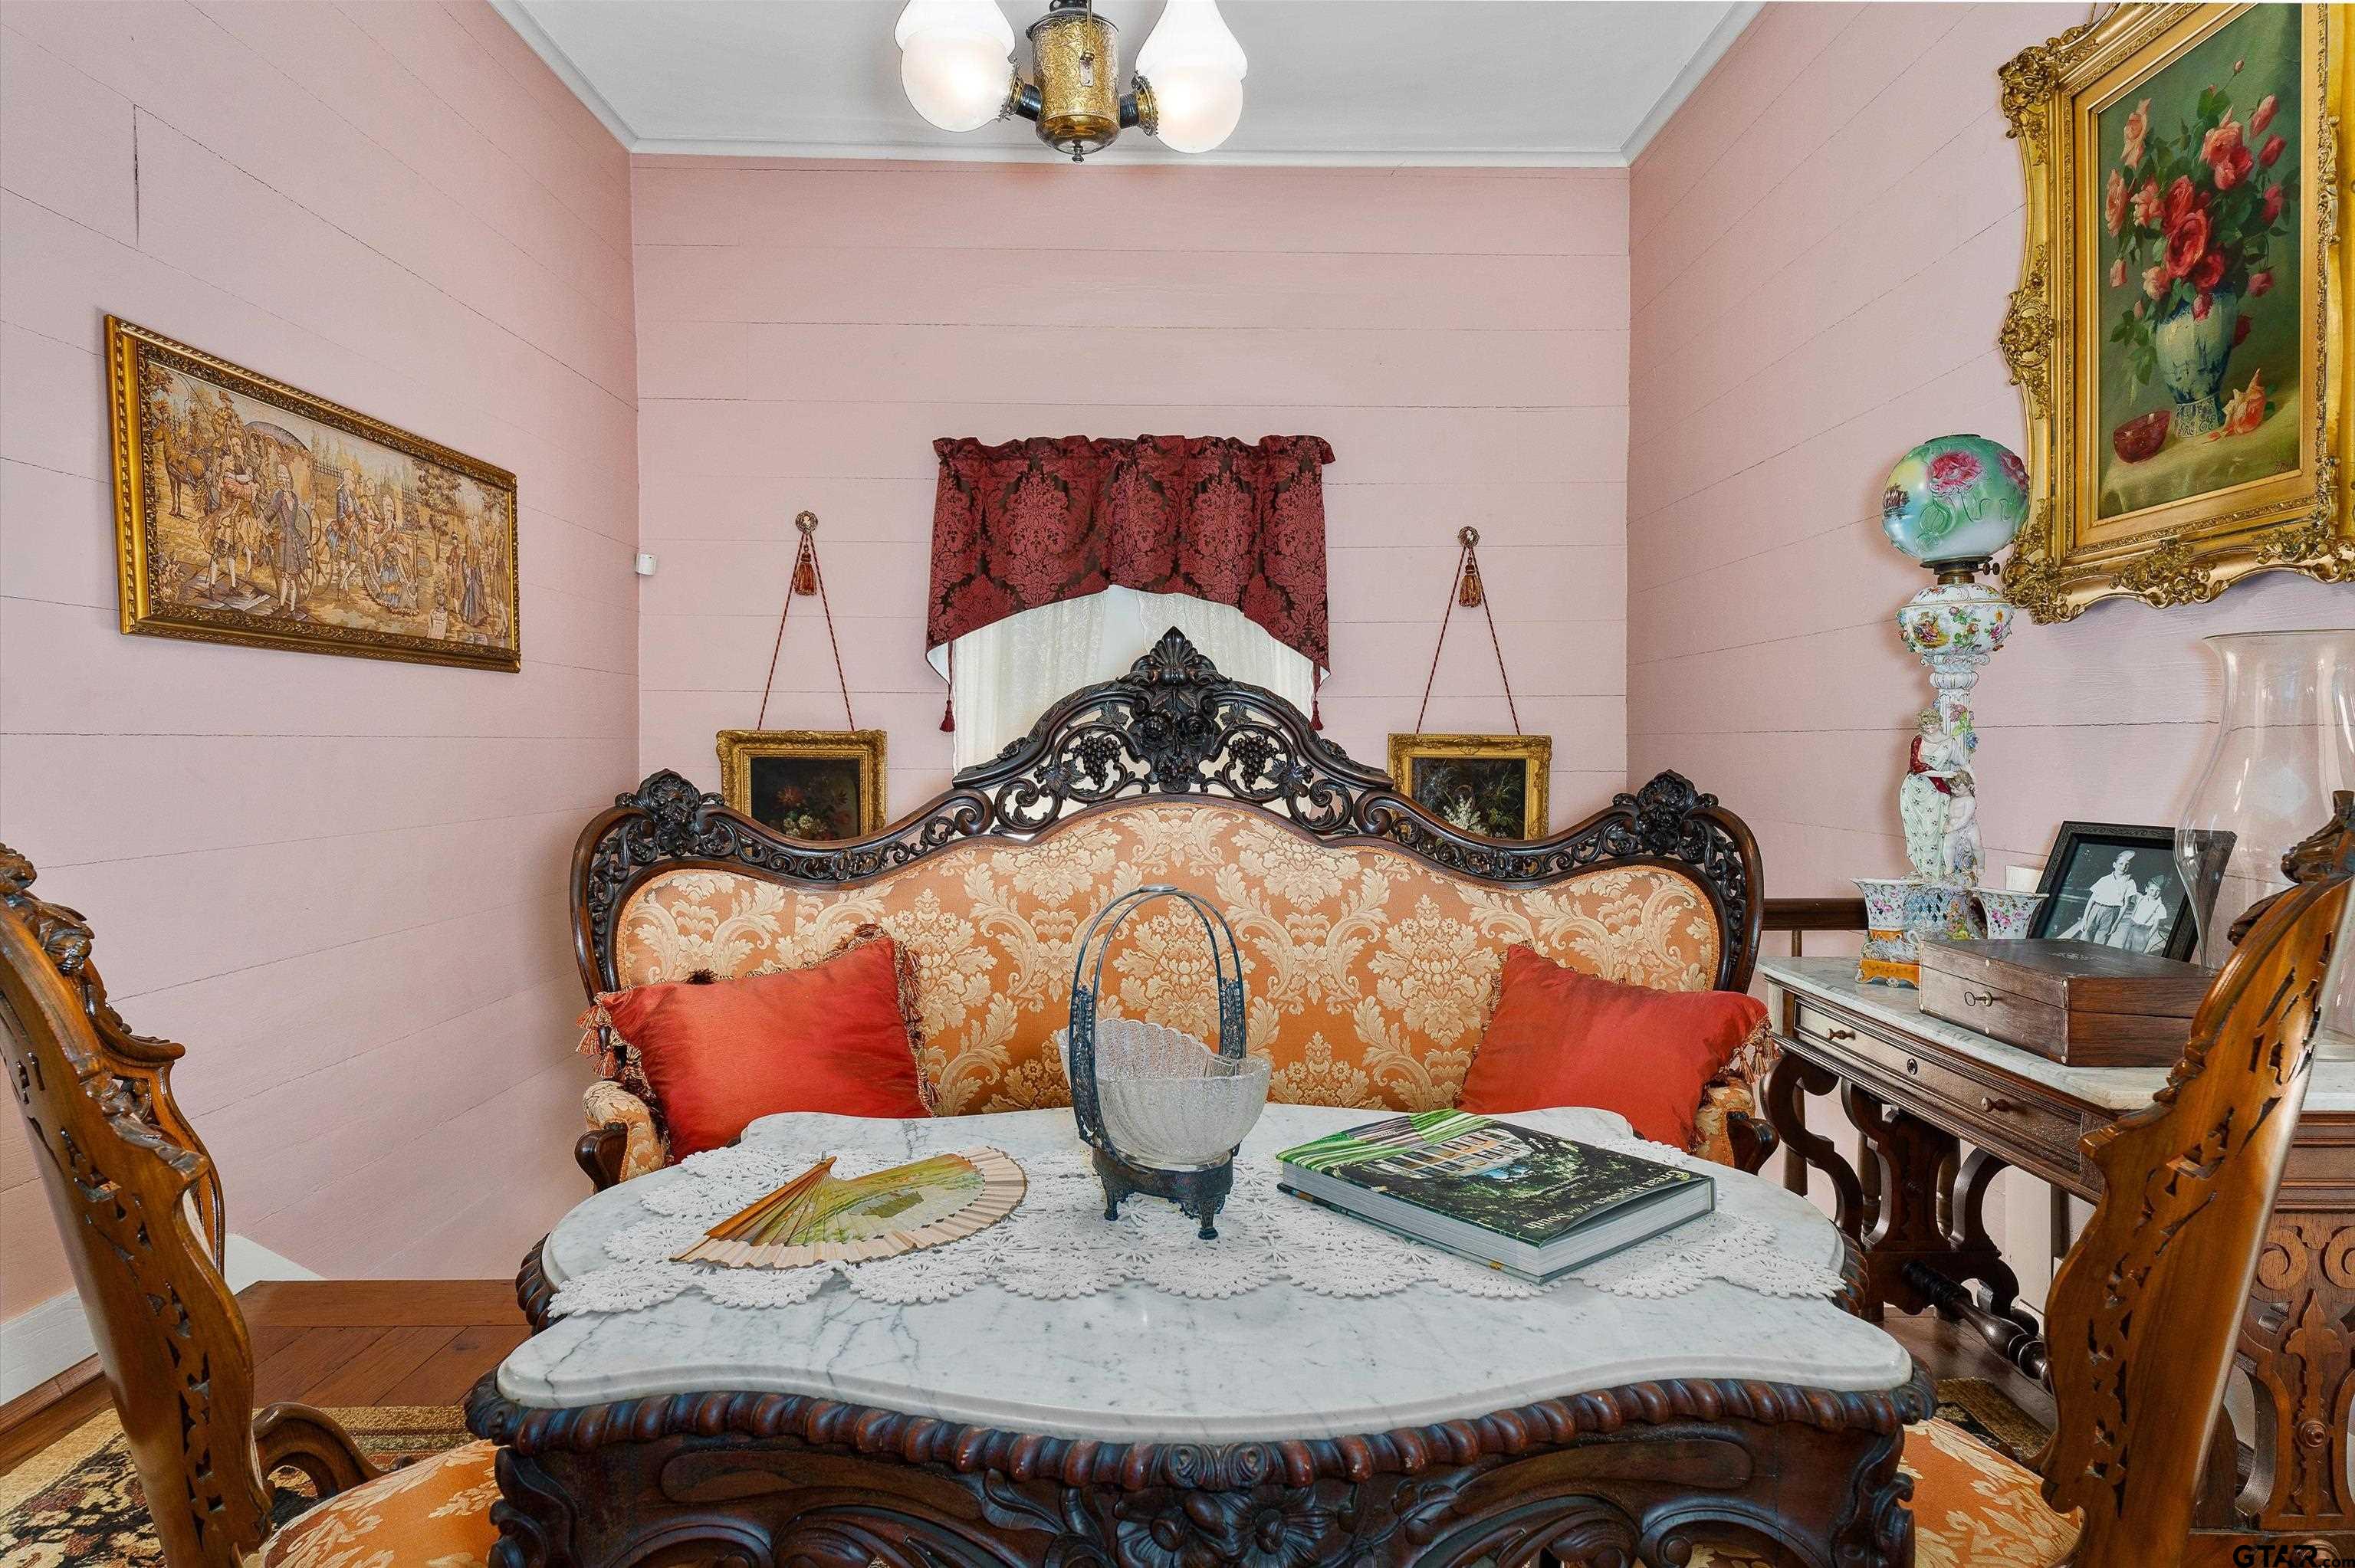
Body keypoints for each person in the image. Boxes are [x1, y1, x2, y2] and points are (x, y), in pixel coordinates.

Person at [2057, 851, 2140, 944]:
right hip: (2096, 909)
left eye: (2127, 864)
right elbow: (2091, 900)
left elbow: (2125, 905)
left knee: (2101, 940)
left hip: (2112, 913)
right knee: (2086, 937)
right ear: (2114, 865)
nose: (2123, 866)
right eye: (2121, 863)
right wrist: (2085, 920)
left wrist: (2116, 924)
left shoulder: (2130, 883)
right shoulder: (2104, 879)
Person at [2119, 875, 2173, 953]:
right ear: (2146, 889)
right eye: (2152, 890)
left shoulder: (2159, 906)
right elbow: (2129, 890)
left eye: (2158, 891)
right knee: (2125, 948)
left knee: (2136, 953)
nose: (2154, 893)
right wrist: (2126, 880)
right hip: (2131, 926)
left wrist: (2148, 936)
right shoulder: (2140, 898)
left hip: (2143, 931)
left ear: (2161, 892)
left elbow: (2156, 925)